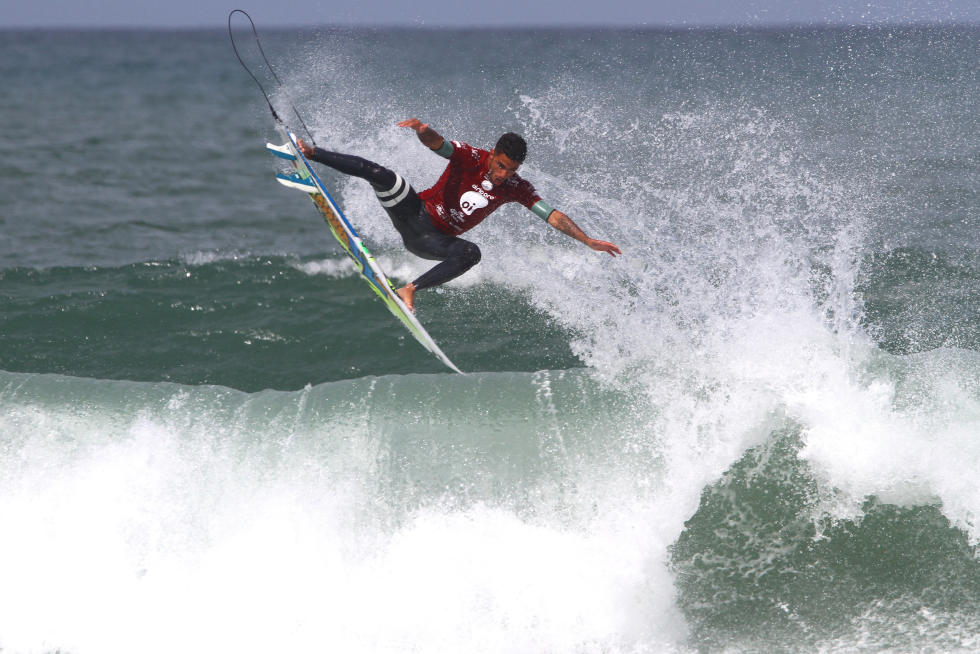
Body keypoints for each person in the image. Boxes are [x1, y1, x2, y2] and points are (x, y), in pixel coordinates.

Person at [296, 119, 621, 312]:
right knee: (384, 175)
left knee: (471, 252)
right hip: (412, 211)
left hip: (431, 241)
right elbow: (438, 145)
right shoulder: (472, 157)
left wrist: (587, 240)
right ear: (493, 155)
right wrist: (423, 130)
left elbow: (551, 215)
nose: (504, 174)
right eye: (502, 165)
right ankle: (312, 153)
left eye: (512, 170)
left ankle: (409, 289)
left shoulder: (515, 188)